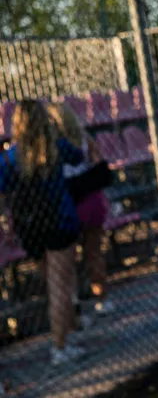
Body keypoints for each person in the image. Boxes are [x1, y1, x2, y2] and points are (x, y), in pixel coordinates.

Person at [0, 100, 86, 365]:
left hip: (30, 227)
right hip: (59, 222)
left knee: (54, 284)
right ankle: (59, 347)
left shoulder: (10, 156)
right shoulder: (54, 147)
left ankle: (67, 333)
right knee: (61, 285)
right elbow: (79, 155)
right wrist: (59, 129)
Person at [47, 102, 116, 317]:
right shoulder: (85, 139)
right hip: (92, 201)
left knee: (68, 260)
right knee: (94, 253)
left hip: (69, 203)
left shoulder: (53, 145)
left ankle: (75, 306)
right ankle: (102, 299)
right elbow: (99, 164)